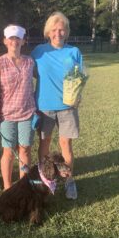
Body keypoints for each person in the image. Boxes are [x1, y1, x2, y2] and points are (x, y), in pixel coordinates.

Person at [31, 11, 84, 200]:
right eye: (54, 29)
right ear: (48, 31)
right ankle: (43, 177)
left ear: (67, 32)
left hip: (68, 107)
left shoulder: (74, 52)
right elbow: (31, 74)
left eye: (62, 29)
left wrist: (78, 97)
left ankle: (69, 181)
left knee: (65, 144)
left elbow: (79, 79)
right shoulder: (39, 51)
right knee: (44, 142)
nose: (58, 33)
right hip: (44, 106)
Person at [0, 25, 36, 190]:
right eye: (11, 38)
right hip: (6, 115)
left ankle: (24, 185)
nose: (14, 41)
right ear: (5, 41)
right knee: (8, 152)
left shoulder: (30, 62)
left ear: (23, 41)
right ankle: (7, 187)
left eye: (17, 38)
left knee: (25, 150)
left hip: (27, 113)